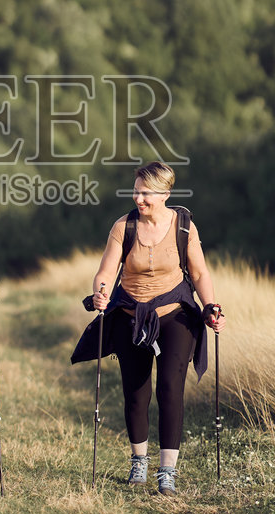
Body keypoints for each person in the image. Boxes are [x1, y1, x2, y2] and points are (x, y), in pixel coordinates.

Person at [83, 161, 224, 496]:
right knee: (136, 391)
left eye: (146, 193)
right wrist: (101, 292)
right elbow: (106, 272)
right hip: (131, 315)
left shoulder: (184, 226)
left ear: (165, 194)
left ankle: (167, 471)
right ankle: (139, 461)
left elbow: (199, 273)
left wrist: (210, 307)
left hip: (175, 314)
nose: (139, 198)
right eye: (136, 191)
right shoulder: (124, 226)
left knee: (170, 388)